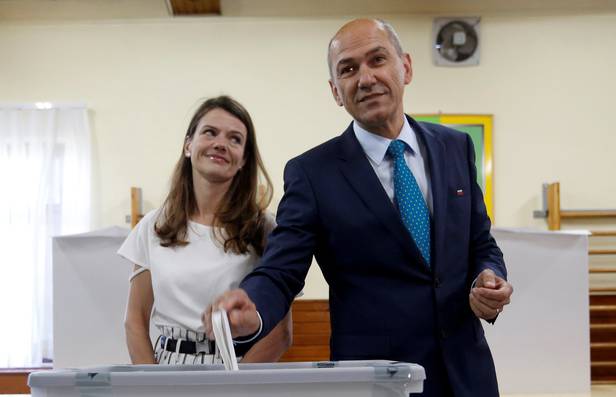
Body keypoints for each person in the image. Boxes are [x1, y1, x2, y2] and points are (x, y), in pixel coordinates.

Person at [205, 19, 513, 396]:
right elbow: (281, 270)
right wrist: (252, 308)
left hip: (468, 372)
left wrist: (488, 277)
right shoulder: (312, 173)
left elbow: (480, 243)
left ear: (406, 67)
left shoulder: (455, 147)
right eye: (348, 69)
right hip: (375, 379)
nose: (365, 78)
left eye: (377, 60)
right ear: (336, 91)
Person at [119, 95, 292, 365]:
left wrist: (233, 389)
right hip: (167, 371)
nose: (221, 144)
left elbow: (280, 333)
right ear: (188, 145)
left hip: (239, 369)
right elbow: (135, 323)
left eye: (235, 139)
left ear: (244, 159)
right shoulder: (153, 226)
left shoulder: (265, 229)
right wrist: (151, 386)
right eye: (210, 132)